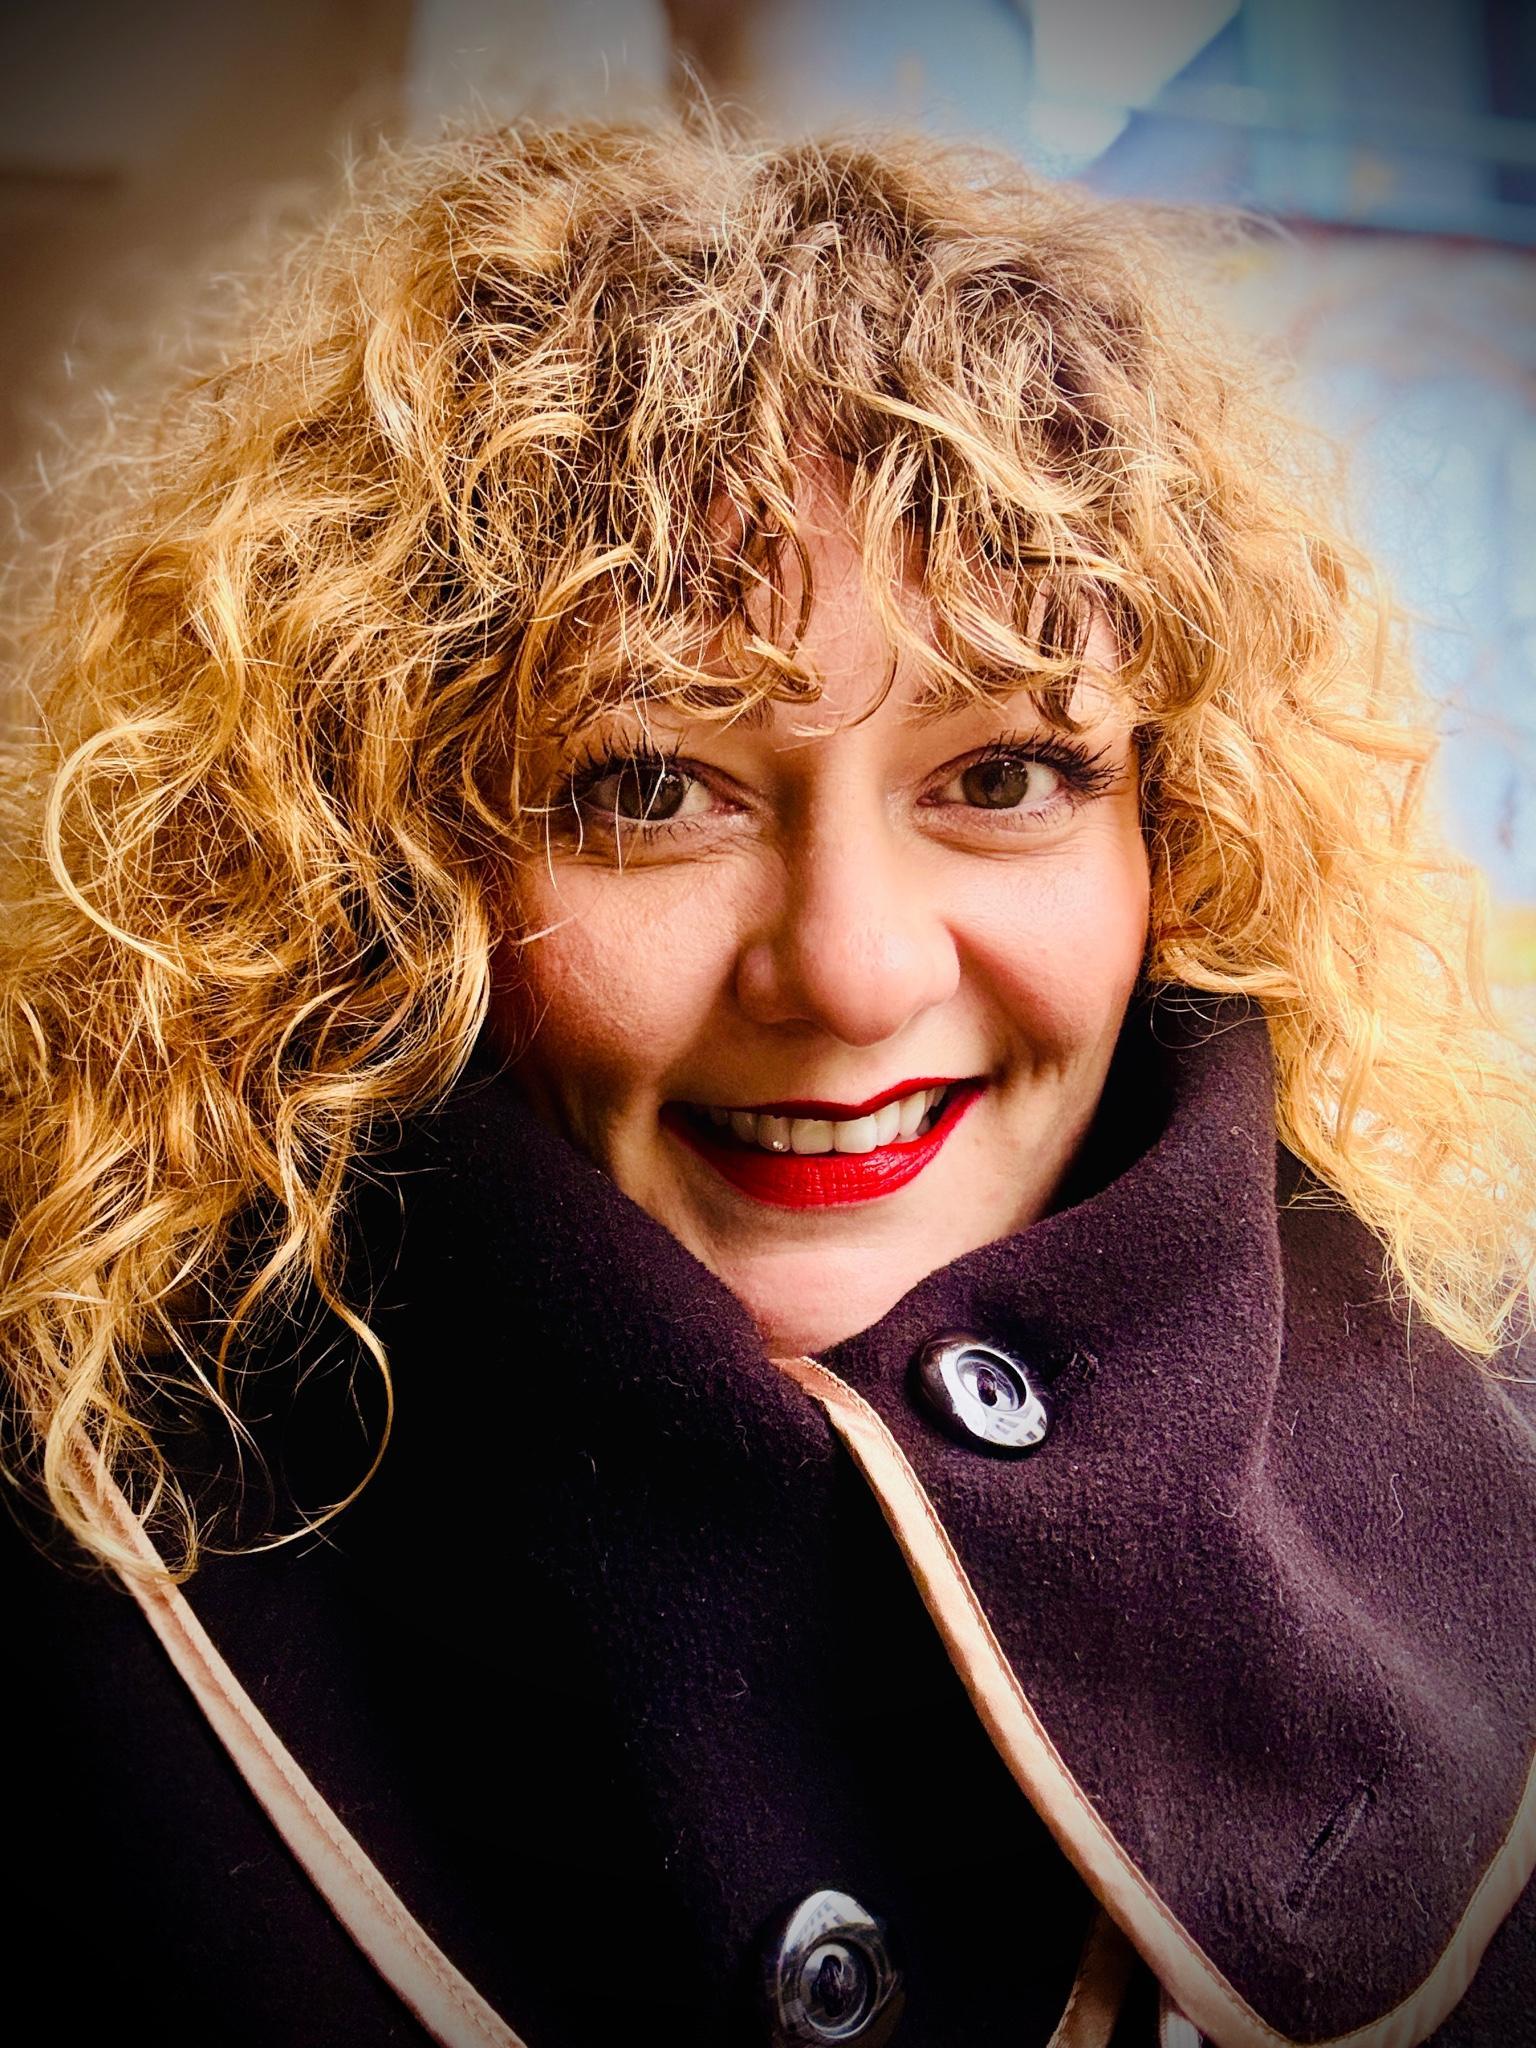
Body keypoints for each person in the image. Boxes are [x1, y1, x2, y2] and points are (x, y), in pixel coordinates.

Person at [1, 110, 1532, 2048]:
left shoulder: (1510, 1460)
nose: (853, 971)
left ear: (1184, 833)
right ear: (376, 859)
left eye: (1001, 776)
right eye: (653, 784)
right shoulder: (70, 1588)